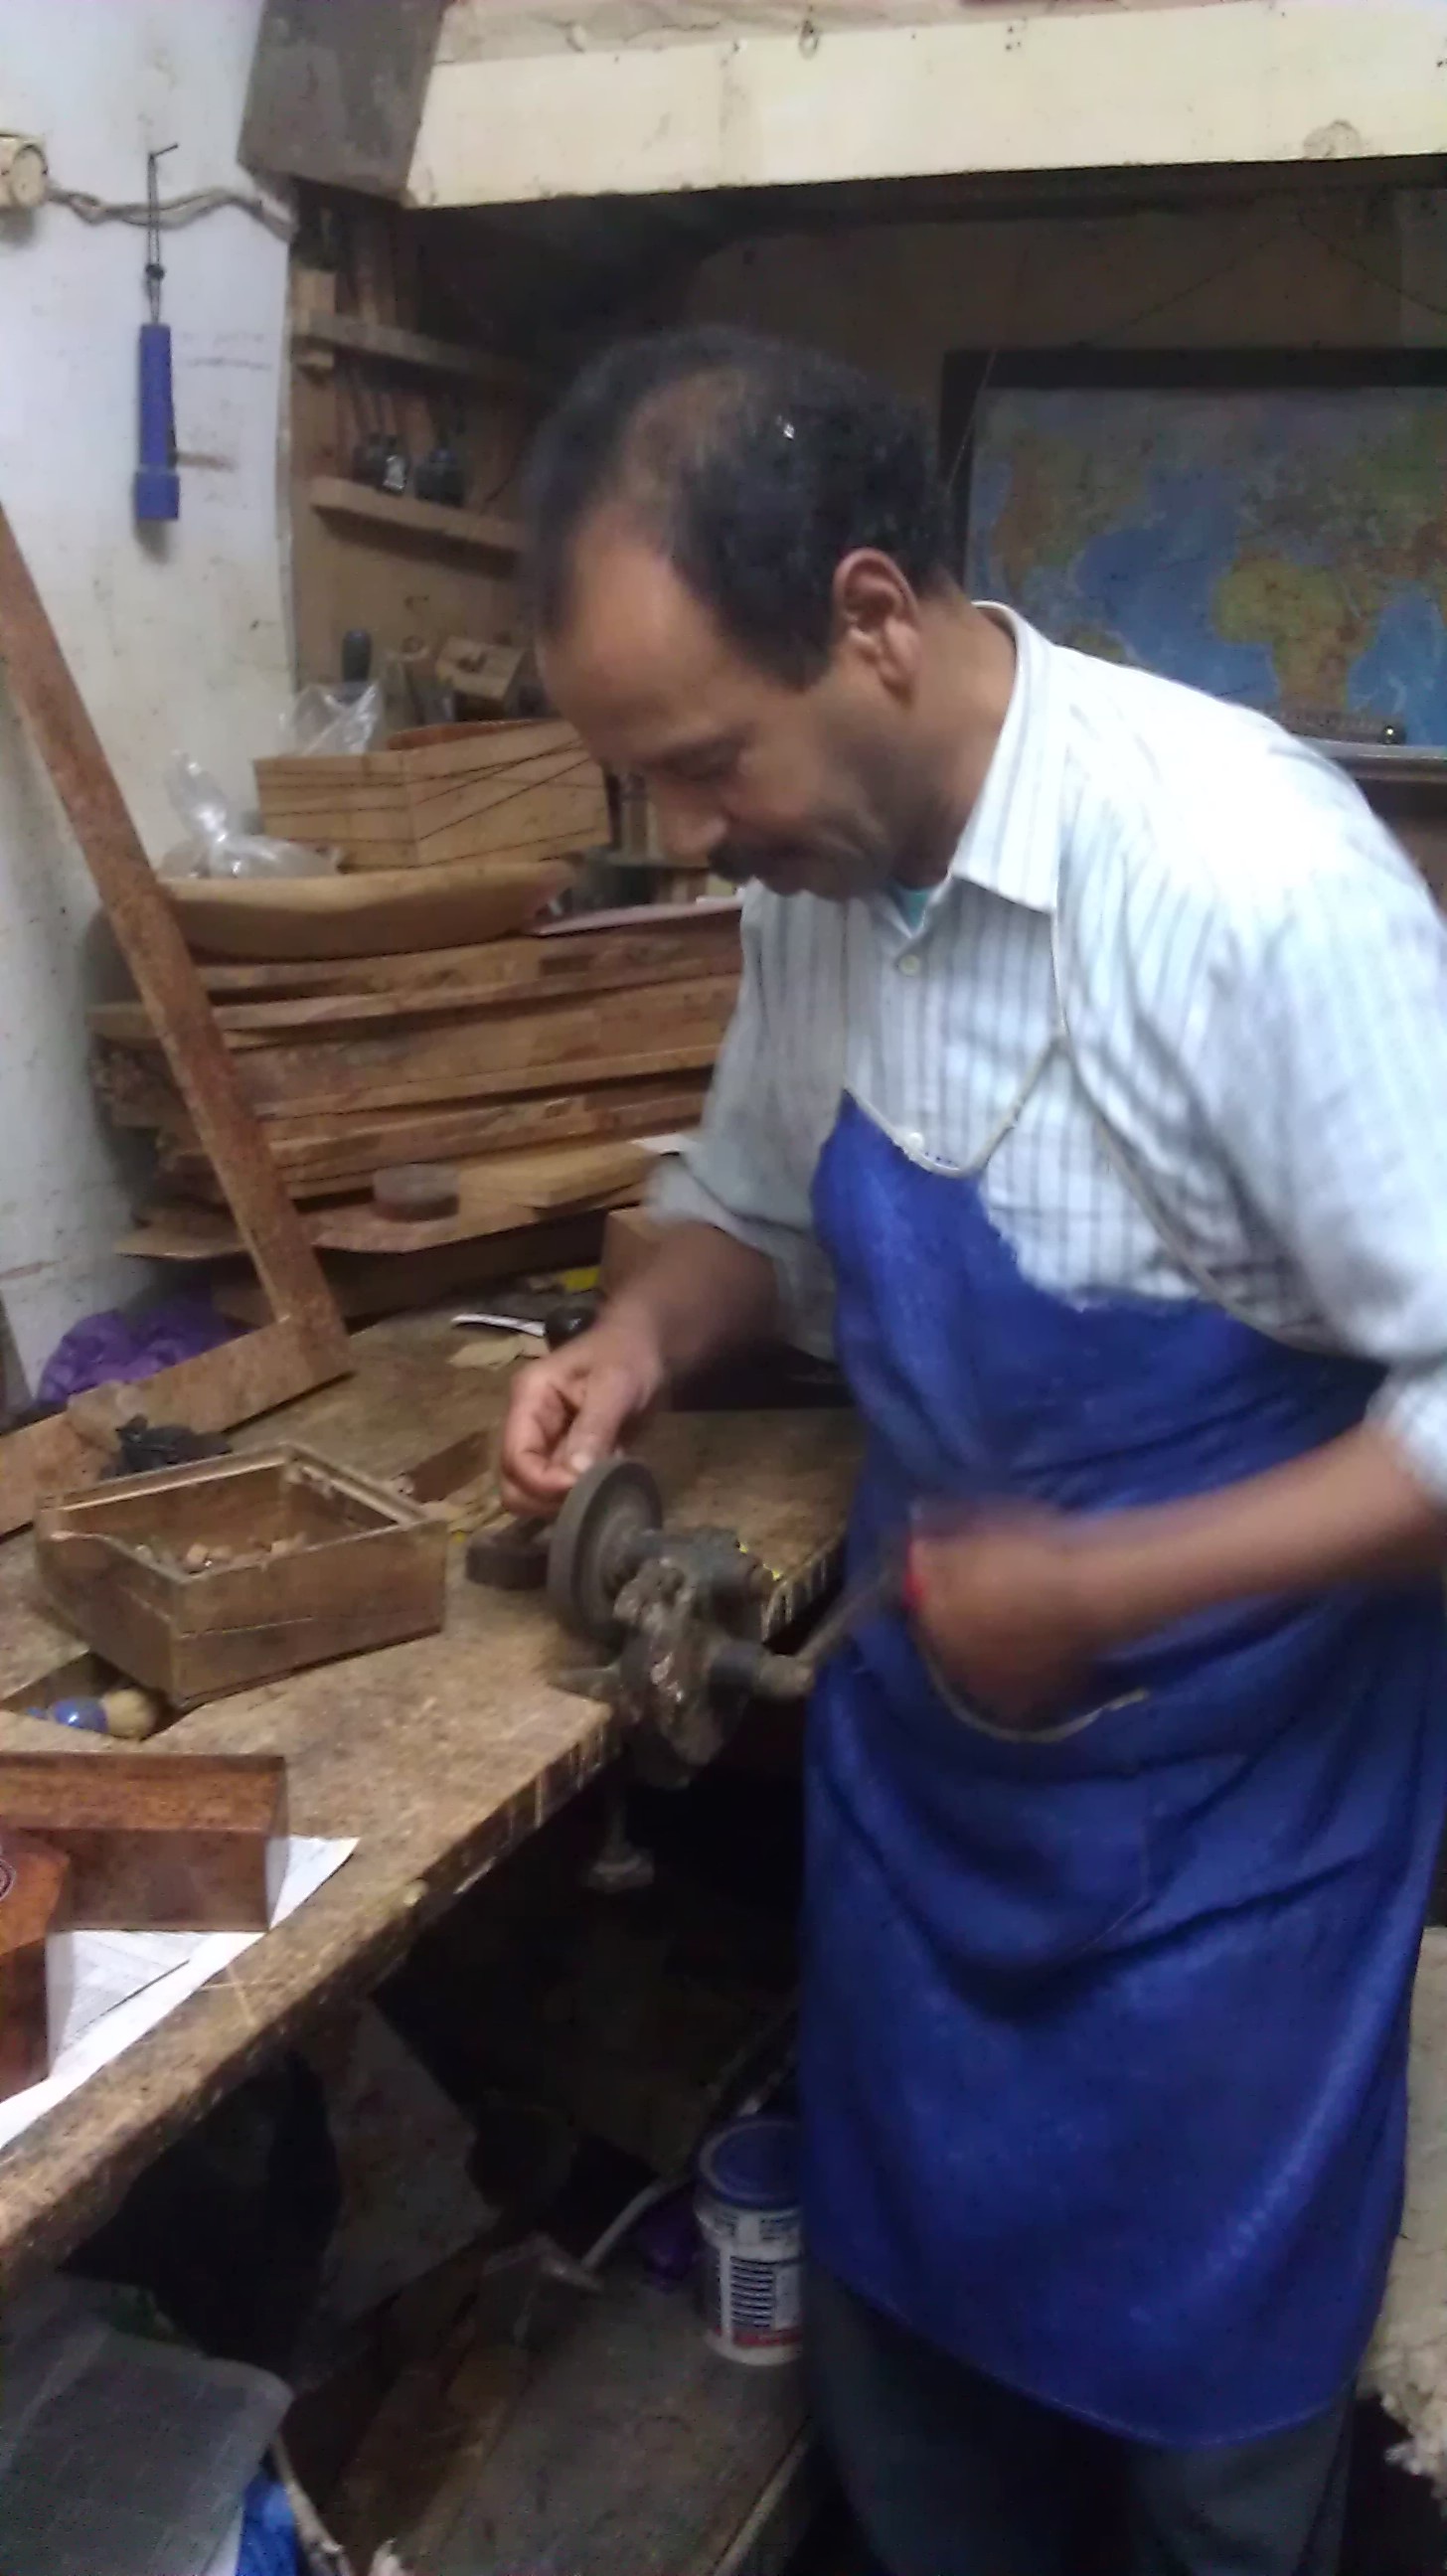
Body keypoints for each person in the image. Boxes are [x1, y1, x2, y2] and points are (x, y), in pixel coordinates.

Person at [501, 325, 1447, 2576]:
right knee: (919, 2447)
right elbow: (747, 1210)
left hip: (1233, 1886)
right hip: (930, 1847)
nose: (692, 837)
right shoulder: (809, 889)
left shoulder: (1252, 893)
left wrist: (1100, 1585)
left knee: (1212, 2491)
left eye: (707, 767)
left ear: (866, 616)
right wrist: (641, 1334)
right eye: (648, 789)